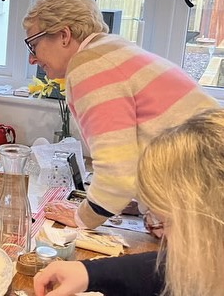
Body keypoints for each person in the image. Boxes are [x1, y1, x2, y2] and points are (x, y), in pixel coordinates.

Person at [23, 0, 218, 229]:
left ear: (64, 35)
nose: (31, 58)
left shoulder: (90, 66)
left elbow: (117, 173)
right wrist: (141, 201)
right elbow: (141, 147)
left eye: (33, 44)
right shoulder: (112, 50)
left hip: (210, 195)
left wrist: (81, 218)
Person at [34, 108, 224, 296]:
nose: (164, 238)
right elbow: (177, 266)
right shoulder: (211, 259)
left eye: (164, 222)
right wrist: (89, 273)